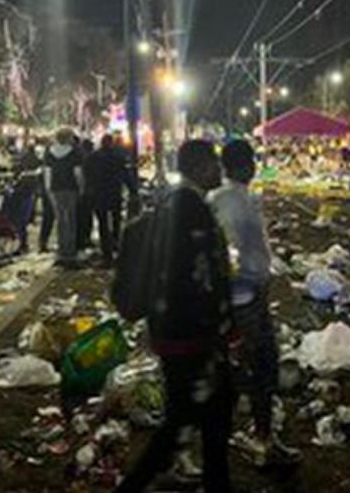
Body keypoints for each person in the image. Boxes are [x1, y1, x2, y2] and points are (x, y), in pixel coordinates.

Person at [117, 140, 234, 493]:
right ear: (199, 168)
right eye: (213, 163)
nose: (219, 169)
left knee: (216, 408)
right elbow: (199, 274)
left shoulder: (176, 200)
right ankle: (134, 485)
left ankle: (218, 483)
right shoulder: (190, 208)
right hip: (189, 334)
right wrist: (220, 324)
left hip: (179, 329)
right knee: (182, 419)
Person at [209, 139, 301, 468]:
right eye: (248, 162)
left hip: (252, 295)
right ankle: (248, 440)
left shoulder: (243, 197)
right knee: (251, 368)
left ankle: (262, 436)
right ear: (235, 166)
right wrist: (238, 299)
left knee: (263, 365)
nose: (252, 168)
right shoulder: (227, 201)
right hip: (242, 299)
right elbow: (229, 254)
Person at [85, 134, 132, 265]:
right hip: (114, 192)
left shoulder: (93, 157)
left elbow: (87, 176)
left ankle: (107, 253)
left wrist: (89, 191)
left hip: (99, 194)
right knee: (116, 220)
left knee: (103, 224)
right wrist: (133, 189)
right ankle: (116, 243)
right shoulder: (118, 157)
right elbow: (125, 175)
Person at [43, 128, 83, 265]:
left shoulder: (50, 153)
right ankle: (70, 250)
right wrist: (81, 187)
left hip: (55, 188)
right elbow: (77, 173)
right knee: (71, 219)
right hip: (71, 188)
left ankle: (61, 249)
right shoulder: (74, 153)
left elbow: (47, 173)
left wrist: (48, 189)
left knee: (60, 219)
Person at [76, 137, 95, 252]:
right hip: (88, 192)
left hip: (83, 192)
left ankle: (82, 239)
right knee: (86, 216)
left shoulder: (80, 158)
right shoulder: (90, 159)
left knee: (82, 217)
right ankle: (85, 239)